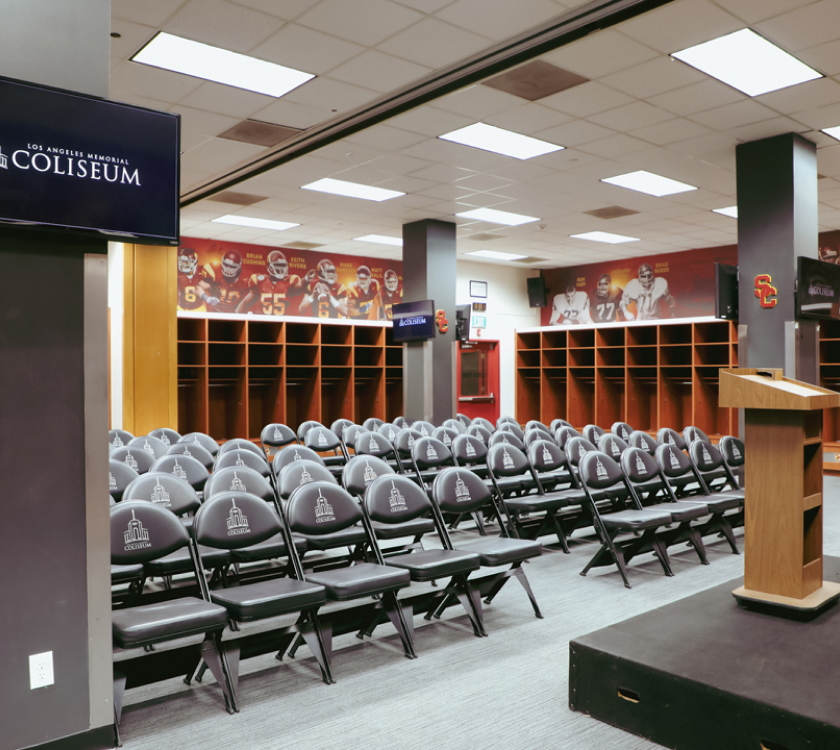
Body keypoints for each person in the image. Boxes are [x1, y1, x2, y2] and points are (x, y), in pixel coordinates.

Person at [235, 250, 303, 315]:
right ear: (270, 267)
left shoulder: (291, 281)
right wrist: (236, 317)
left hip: (285, 321)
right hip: (263, 321)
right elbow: (246, 303)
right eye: (278, 265)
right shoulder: (260, 281)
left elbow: (300, 287)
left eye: (283, 265)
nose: (282, 268)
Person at [197, 249, 250, 313]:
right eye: (226, 265)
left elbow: (255, 294)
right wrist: (207, 298)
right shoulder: (215, 273)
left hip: (234, 316)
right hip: (214, 314)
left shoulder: (245, 277)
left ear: (238, 268)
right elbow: (198, 288)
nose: (228, 269)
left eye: (232, 267)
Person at [176, 246, 204, 311]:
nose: (183, 264)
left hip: (198, 309)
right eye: (182, 261)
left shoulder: (200, 278)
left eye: (186, 262)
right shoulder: (177, 278)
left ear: (194, 263)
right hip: (181, 309)